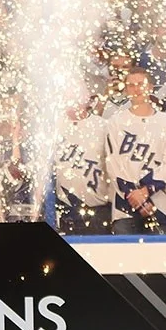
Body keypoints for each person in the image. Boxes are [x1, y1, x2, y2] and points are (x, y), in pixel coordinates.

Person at [103, 68, 166, 234]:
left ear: (150, 87)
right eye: (131, 85)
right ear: (125, 90)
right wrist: (135, 196)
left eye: (141, 84)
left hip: (161, 206)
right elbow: (113, 164)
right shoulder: (116, 122)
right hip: (126, 206)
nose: (136, 89)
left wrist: (146, 190)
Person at [51, 99, 111, 233]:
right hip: (65, 207)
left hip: (98, 207)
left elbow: (113, 164)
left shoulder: (102, 125)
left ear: (87, 98)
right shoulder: (53, 125)